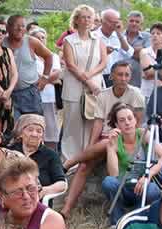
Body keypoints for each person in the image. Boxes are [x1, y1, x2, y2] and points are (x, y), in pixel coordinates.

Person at [61, 61, 145, 219]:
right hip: (106, 137)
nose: (123, 78)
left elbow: (137, 123)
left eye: (127, 75)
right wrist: (91, 148)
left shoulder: (136, 94)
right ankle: (66, 208)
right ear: (112, 76)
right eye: (120, 74)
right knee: (85, 164)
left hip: (126, 137)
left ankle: (67, 163)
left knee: (108, 141)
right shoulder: (104, 95)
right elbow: (98, 123)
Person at [102, 102, 162, 225]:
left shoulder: (143, 134)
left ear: (135, 120)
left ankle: (135, 219)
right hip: (123, 188)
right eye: (122, 120)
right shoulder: (115, 141)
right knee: (108, 182)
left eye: (130, 118)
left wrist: (148, 175)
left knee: (153, 190)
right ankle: (118, 222)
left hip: (142, 187)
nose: (127, 123)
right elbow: (114, 174)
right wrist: (110, 148)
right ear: (116, 125)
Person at [60, 4, 107, 162]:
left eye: (89, 17)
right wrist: (87, 80)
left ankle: (86, 157)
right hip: (73, 87)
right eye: (83, 17)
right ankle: (70, 159)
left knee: (91, 124)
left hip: (93, 87)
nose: (87, 20)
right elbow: (71, 65)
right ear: (77, 20)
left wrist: (90, 77)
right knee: (72, 125)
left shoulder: (98, 40)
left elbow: (103, 62)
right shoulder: (69, 41)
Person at [3, 15, 53, 120]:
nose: (20, 28)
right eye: (16, 26)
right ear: (8, 28)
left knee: (32, 124)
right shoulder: (2, 43)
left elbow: (48, 56)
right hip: (7, 93)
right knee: (11, 129)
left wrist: (45, 77)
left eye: (23, 26)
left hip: (29, 93)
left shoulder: (31, 41)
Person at [8, 114, 66, 198]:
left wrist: (44, 190)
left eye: (39, 131)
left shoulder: (50, 155)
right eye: (30, 130)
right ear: (21, 133)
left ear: (42, 136)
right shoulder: (10, 151)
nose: (34, 134)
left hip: (39, 201)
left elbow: (62, 184)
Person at [31, 27, 62, 148]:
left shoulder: (53, 56)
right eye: (38, 38)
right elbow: (32, 75)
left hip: (50, 97)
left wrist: (44, 80)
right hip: (35, 96)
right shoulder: (30, 56)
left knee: (51, 128)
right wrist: (50, 80)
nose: (41, 40)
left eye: (43, 37)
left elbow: (58, 73)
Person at [94, 9, 131, 87]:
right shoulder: (93, 36)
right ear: (102, 21)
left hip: (117, 77)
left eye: (116, 22)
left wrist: (119, 34)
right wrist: (104, 53)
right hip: (99, 76)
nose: (113, 25)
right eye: (110, 22)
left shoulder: (119, 36)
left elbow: (129, 53)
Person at [123, 11, 151, 88]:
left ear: (141, 24)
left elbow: (146, 56)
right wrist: (138, 50)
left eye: (137, 22)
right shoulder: (119, 36)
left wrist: (126, 50)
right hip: (119, 80)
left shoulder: (147, 37)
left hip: (138, 82)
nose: (134, 23)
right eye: (131, 21)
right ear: (127, 22)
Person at [140, 23, 162, 101]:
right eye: (153, 33)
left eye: (158, 33)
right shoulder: (144, 52)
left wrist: (153, 72)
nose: (155, 35)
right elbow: (147, 73)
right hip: (147, 92)